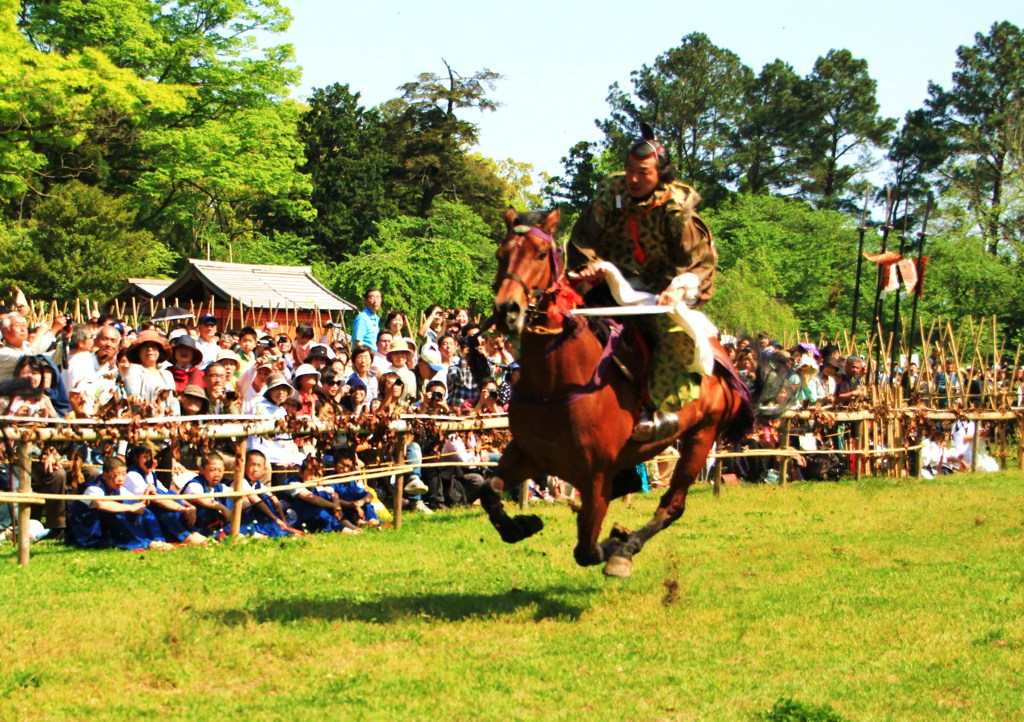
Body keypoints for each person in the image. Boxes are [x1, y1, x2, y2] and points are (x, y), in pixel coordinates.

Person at [571, 124, 717, 442]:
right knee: (561, 322)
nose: (634, 179)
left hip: (658, 294)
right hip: (608, 285)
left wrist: (678, 287)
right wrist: (589, 267)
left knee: (677, 336)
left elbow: (699, 261)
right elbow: (582, 241)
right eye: (629, 170)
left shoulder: (677, 212)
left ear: (661, 175)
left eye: (643, 172)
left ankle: (659, 408)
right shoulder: (608, 199)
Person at [66, 457, 173, 551]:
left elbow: (134, 500)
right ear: (104, 475)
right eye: (115, 475)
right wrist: (131, 508)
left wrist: (146, 496)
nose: (120, 479)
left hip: (102, 525)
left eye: (123, 474)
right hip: (87, 530)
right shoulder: (94, 488)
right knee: (115, 514)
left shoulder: (118, 488)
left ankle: (157, 539)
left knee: (145, 512)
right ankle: (143, 543)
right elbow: (102, 505)